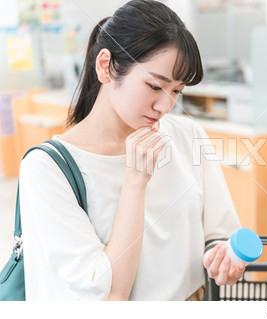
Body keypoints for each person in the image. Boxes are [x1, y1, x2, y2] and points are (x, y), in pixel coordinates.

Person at [19, 0, 243, 301]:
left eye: (177, 91)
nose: (166, 106)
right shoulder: (48, 168)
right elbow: (108, 296)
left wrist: (224, 255)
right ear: (105, 66)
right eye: (154, 86)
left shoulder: (188, 135)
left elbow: (219, 233)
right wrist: (135, 182)